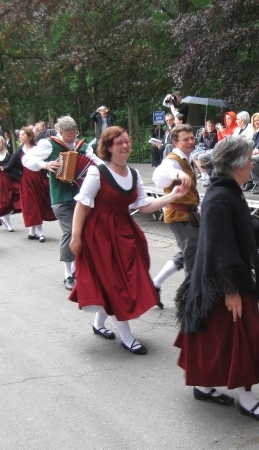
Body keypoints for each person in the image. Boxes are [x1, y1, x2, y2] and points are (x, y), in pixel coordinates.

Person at [174, 136, 259, 423]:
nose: (253, 162)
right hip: (224, 284)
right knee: (242, 342)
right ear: (239, 165)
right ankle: (246, 400)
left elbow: (246, 230)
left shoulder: (228, 191)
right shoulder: (220, 197)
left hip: (225, 280)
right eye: (250, 159)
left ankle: (204, 387)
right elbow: (220, 249)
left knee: (216, 343)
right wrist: (230, 292)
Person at [69, 126, 190, 354]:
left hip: (125, 232)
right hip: (99, 235)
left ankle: (99, 323)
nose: (125, 146)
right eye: (118, 143)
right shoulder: (98, 172)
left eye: (126, 141)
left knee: (122, 279)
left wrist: (173, 196)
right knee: (115, 282)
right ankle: (126, 336)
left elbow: (144, 206)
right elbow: (82, 205)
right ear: (108, 148)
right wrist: (76, 237)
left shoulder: (133, 174)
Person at [22, 115, 102, 290]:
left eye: (74, 135)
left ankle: (78, 269)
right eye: (68, 136)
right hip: (61, 198)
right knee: (71, 231)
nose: (72, 139)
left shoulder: (83, 146)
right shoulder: (48, 144)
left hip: (82, 197)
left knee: (85, 232)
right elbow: (26, 160)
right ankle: (68, 274)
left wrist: (112, 170)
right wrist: (45, 165)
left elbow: (96, 162)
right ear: (60, 132)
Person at [152, 124, 201, 305]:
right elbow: (160, 176)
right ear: (175, 142)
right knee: (193, 257)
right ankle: (191, 301)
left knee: (190, 252)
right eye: (185, 139)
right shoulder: (172, 160)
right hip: (178, 216)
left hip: (188, 215)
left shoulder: (187, 158)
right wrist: (177, 173)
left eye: (191, 138)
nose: (191, 141)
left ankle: (154, 284)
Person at [5, 128, 55, 241]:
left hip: (38, 179)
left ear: (29, 136)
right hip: (27, 181)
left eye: (23, 135)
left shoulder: (37, 149)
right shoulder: (19, 152)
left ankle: (32, 232)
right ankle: (40, 232)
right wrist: (0, 169)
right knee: (31, 205)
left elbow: (46, 160)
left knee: (39, 203)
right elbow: (10, 166)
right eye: (20, 135)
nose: (20, 137)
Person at [191, 120, 219, 187]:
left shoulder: (215, 134)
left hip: (210, 150)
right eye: (209, 126)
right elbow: (199, 141)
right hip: (203, 149)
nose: (210, 128)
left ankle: (207, 175)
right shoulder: (206, 133)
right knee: (193, 155)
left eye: (212, 126)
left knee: (201, 157)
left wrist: (205, 137)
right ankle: (203, 173)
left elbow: (209, 144)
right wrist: (202, 134)